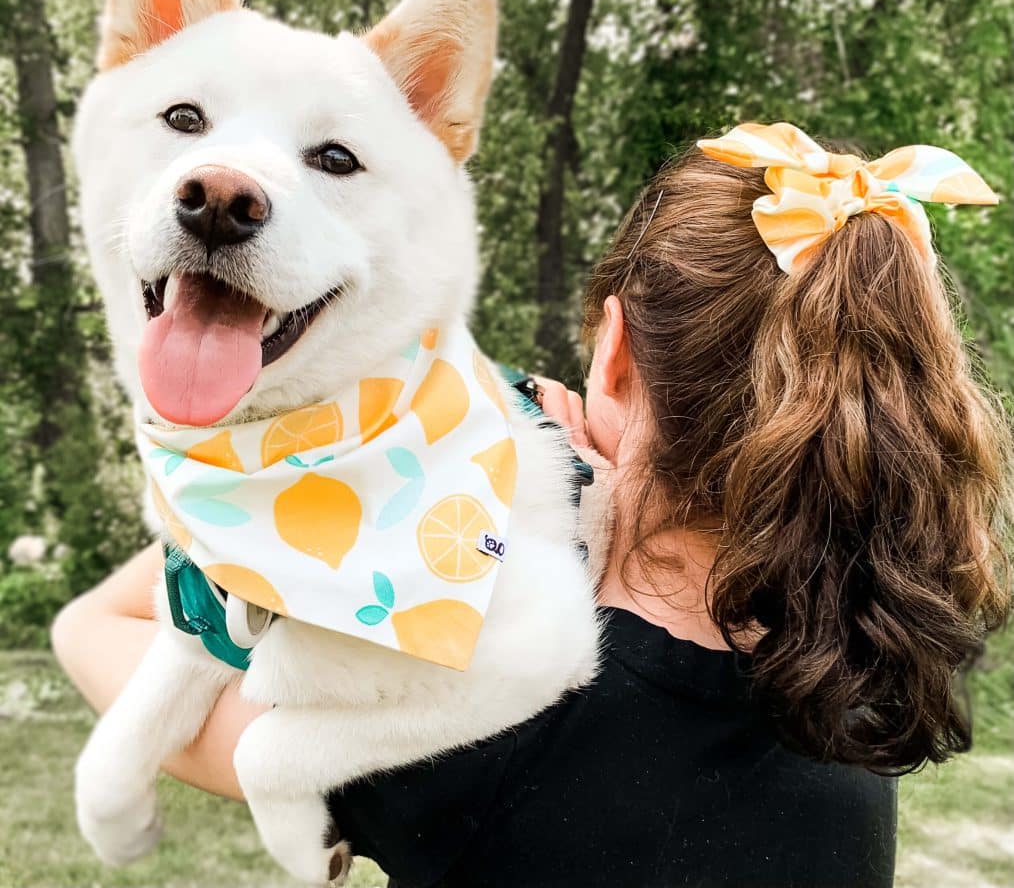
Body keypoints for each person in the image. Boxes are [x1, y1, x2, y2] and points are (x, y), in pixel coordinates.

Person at [53, 123, 1012, 887]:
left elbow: (107, 626)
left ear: (616, 351)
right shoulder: (853, 680)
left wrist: (425, 456)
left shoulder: (481, 687)